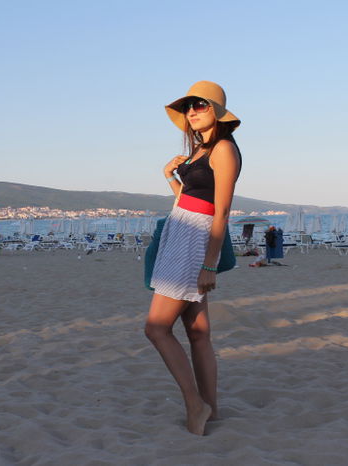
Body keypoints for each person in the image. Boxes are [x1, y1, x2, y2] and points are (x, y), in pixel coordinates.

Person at [145, 81, 241, 435]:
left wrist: (209, 264)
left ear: (217, 110)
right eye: (188, 106)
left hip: (194, 240)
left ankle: (195, 404)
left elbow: (221, 210)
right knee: (198, 332)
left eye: (200, 105)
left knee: (156, 328)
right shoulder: (201, 148)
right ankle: (210, 410)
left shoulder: (224, 149)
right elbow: (190, 197)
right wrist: (169, 177)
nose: (192, 112)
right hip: (181, 229)